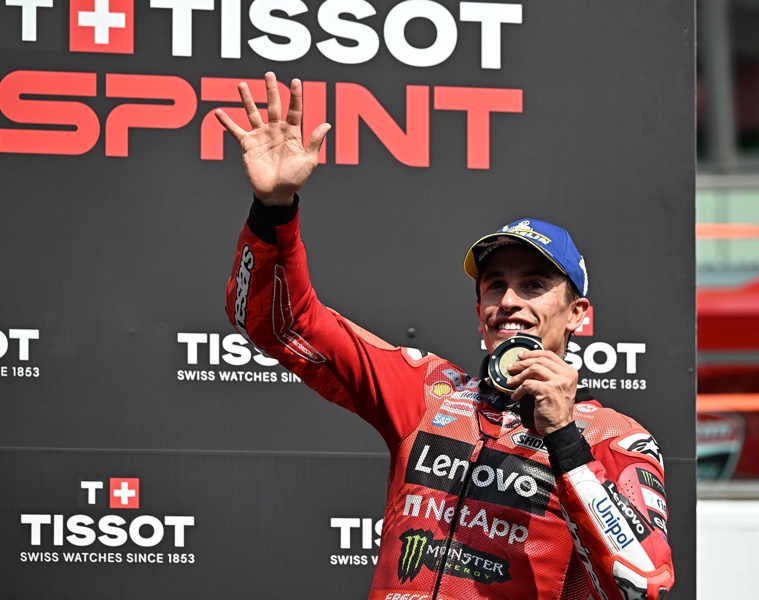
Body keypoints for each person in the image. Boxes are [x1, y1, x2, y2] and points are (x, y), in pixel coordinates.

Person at [218, 72, 674, 600]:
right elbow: (283, 324)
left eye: (533, 285)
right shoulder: (426, 393)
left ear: (577, 313)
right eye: (495, 285)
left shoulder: (613, 438)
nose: (509, 302)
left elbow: (642, 582)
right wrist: (274, 210)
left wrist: (565, 440)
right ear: (478, 308)